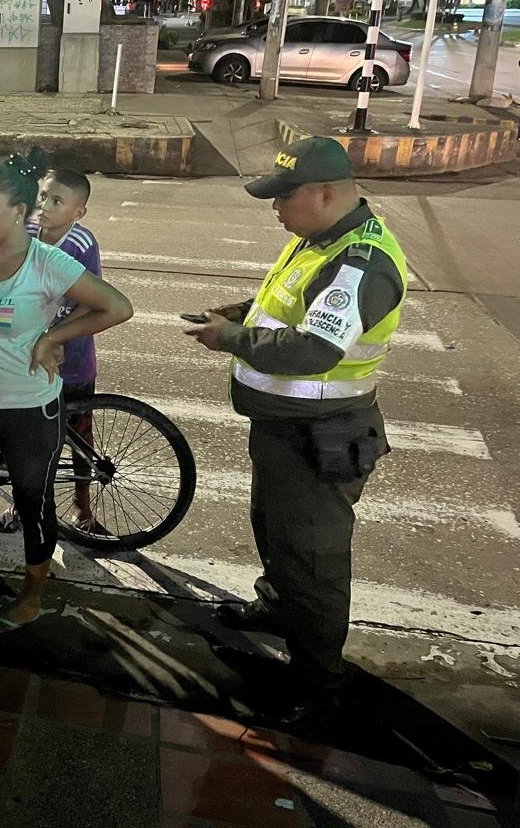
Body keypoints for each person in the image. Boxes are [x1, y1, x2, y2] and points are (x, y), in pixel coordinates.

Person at [184, 137, 407, 723]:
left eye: (284, 197)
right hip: (285, 430)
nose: (275, 208)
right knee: (276, 532)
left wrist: (230, 339)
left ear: (325, 193)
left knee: (313, 561)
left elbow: (312, 349)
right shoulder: (317, 240)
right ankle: (278, 608)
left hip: (320, 436)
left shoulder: (360, 263)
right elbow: (288, 304)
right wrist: (240, 312)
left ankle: (317, 683)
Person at [0, 148, 133, 633]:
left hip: (29, 405)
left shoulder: (47, 262)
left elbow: (117, 307)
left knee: (34, 502)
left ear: (19, 211)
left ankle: (31, 597)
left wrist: (53, 337)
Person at [0, 168, 102, 533]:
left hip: (73, 362)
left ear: (78, 212)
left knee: (79, 438)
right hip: (27, 357)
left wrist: (54, 337)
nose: (45, 207)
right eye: (43, 197)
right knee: (29, 441)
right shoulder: (27, 231)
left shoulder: (81, 243)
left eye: (57, 201)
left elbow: (93, 301)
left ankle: (83, 507)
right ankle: (25, 506)